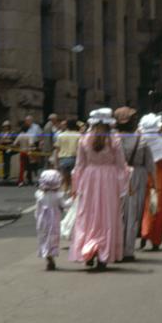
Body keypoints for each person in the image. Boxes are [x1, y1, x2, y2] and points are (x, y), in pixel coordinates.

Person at [69, 108, 131, 271]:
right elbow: (120, 164)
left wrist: (75, 186)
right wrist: (124, 184)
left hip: (90, 178)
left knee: (88, 215)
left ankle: (88, 250)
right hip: (109, 179)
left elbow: (79, 165)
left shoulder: (84, 139)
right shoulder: (114, 140)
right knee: (107, 216)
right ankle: (103, 253)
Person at [116, 107, 155, 262]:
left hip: (116, 177)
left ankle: (115, 246)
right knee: (132, 214)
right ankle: (128, 250)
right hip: (137, 176)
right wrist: (154, 185)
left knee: (116, 213)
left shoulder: (111, 139)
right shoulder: (142, 139)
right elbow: (150, 164)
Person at [139, 113, 162, 251]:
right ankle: (155, 239)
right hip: (160, 181)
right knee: (158, 211)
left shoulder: (139, 141)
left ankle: (143, 232)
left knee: (142, 207)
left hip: (141, 177)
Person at [35, 169, 70, 271]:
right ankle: (51, 254)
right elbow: (64, 205)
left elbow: (38, 209)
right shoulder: (58, 195)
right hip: (54, 219)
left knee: (44, 237)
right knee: (53, 237)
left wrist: (37, 218)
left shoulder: (39, 195)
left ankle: (47, 255)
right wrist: (73, 200)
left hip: (42, 219)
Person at [54, 119, 82, 192]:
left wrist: (56, 162)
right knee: (75, 179)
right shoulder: (79, 135)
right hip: (75, 158)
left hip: (63, 159)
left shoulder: (60, 135)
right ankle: (73, 193)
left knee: (65, 179)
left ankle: (64, 192)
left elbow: (57, 149)